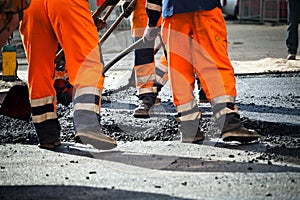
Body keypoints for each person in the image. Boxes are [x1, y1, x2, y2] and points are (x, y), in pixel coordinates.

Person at [143, 0, 260, 143]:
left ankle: (189, 126)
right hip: (206, 8)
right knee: (214, 65)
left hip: (173, 13)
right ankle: (228, 122)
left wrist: (152, 23)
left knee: (179, 72)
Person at [19, 0, 117, 150]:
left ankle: (47, 132)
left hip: (29, 7)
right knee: (87, 61)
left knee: (39, 68)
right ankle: (87, 124)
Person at [128, 0, 168, 118]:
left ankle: (154, 86)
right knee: (143, 55)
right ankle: (146, 98)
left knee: (175, 54)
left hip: (170, 7)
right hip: (141, 8)